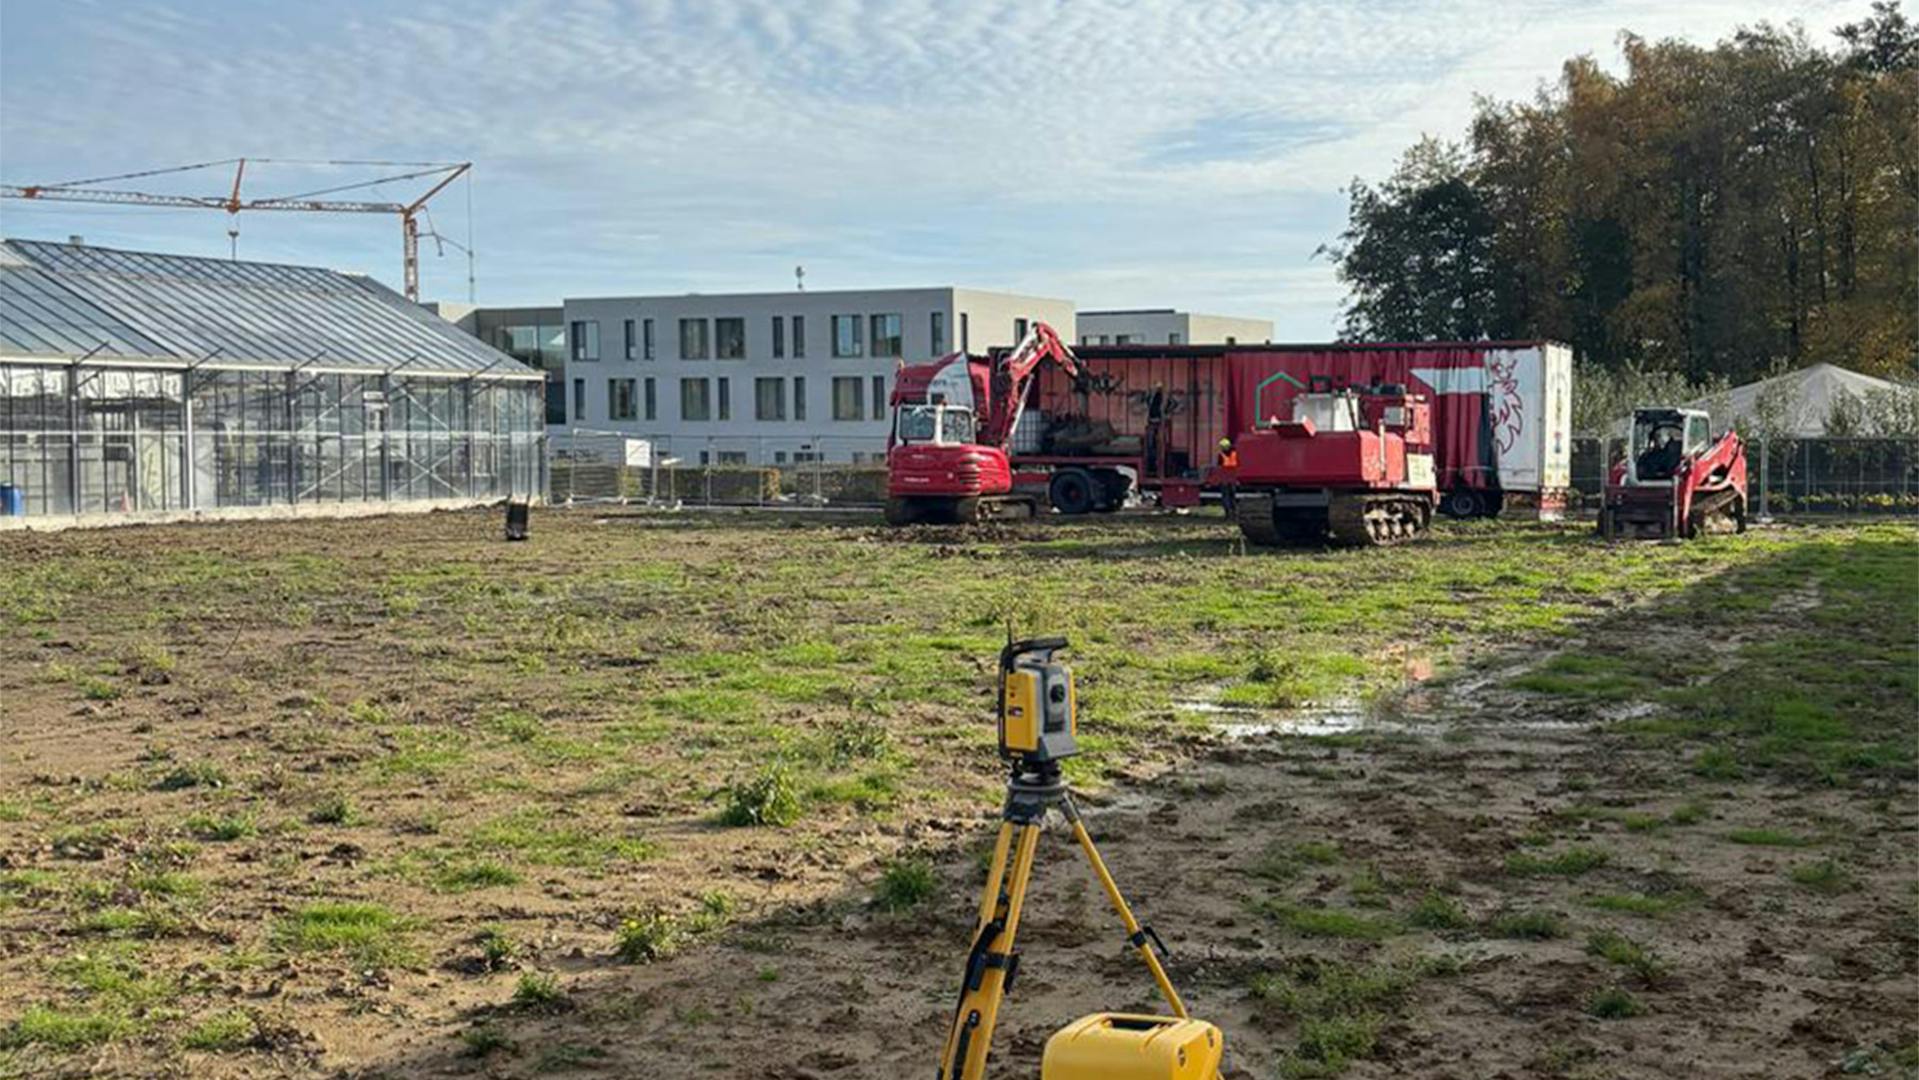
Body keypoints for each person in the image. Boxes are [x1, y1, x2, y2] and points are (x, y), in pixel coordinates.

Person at [1216, 438, 1239, 514]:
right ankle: (1234, 511)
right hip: (1233, 478)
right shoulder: (1235, 454)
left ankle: (1228, 512)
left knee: (1225, 496)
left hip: (1225, 478)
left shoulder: (1221, 455)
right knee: (1232, 495)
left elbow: (1219, 467)